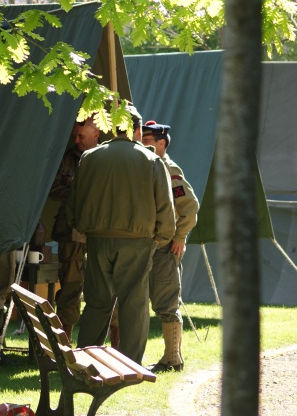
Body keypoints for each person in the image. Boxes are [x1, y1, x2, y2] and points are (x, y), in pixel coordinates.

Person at [67, 105, 176, 364]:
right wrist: (159, 238)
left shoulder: (89, 158)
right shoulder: (151, 161)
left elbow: (73, 203)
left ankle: (85, 359)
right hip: (137, 241)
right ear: (138, 129)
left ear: (110, 126)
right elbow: (165, 206)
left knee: (96, 302)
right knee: (134, 304)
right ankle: (130, 363)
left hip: (97, 240)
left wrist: (85, 229)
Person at [141, 120, 199, 373]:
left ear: (161, 144)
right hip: (147, 244)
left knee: (166, 304)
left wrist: (180, 237)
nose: (142, 145)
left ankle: (173, 358)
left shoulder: (168, 169)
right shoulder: (144, 165)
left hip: (164, 248)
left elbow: (189, 207)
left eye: (148, 142)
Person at [48, 118, 100, 340]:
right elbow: (53, 188)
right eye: (75, 136)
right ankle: (65, 344)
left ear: (96, 133)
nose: (77, 140)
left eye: (81, 136)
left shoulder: (108, 157)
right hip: (71, 230)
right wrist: (81, 193)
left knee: (106, 285)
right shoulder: (67, 157)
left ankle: (114, 345)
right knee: (69, 287)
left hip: (102, 229)